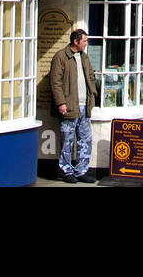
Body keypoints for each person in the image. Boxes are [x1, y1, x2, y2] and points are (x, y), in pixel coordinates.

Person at [50, 28, 98, 183]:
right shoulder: (61, 57)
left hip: (85, 105)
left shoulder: (84, 57)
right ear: (76, 42)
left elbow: (90, 75)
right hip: (69, 106)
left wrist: (93, 93)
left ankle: (81, 171)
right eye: (84, 41)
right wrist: (61, 102)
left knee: (85, 140)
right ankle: (65, 171)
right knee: (67, 140)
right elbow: (55, 82)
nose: (86, 43)